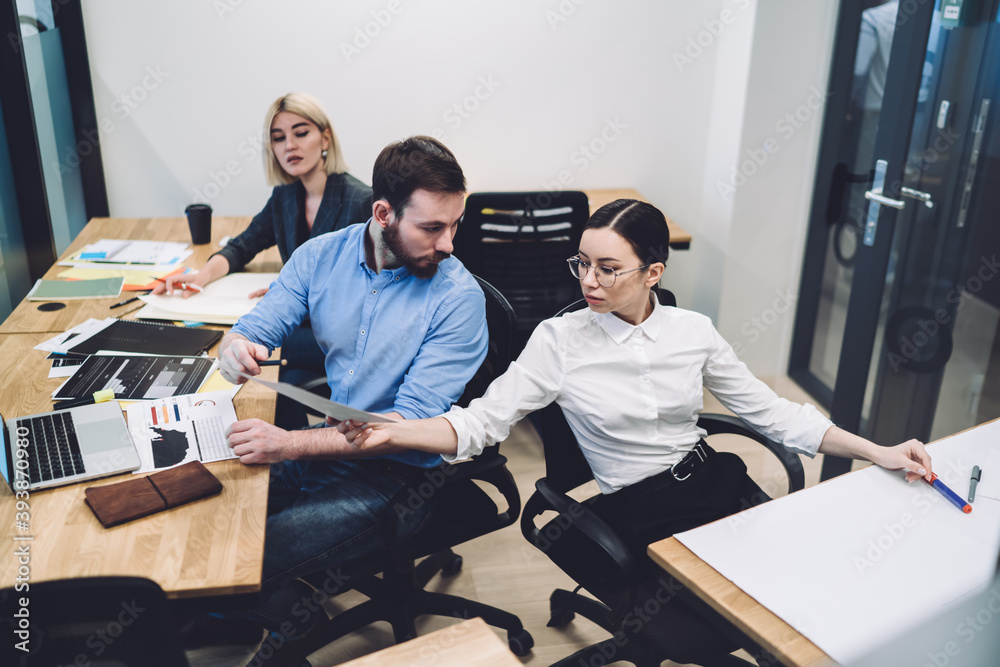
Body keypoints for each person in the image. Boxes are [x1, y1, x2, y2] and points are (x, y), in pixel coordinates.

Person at [337, 198, 934, 666]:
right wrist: (397, 433)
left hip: (714, 483)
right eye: (582, 264)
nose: (588, 282)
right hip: (641, 513)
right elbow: (480, 422)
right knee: (712, 628)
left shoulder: (692, 331)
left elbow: (773, 412)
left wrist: (878, 451)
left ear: (653, 272)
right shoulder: (559, 341)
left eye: (608, 268)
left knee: (801, 597)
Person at [184, 136, 487, 656]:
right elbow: (256, 327)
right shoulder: (321, 257)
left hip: (399, 477)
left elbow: (403, 427)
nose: (448, 244)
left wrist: (290, 445)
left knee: (250, 551)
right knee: (213, 517)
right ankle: (257, 611)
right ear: (383, 213)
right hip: (327, 445)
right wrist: (236, 349)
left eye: (454, 225)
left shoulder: (458, 300)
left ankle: (285, 614)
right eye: (433, 228)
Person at [155, 93, 372, 428]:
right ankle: (291, 457)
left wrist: (289, 295)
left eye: (301, 133)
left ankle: (291, 453)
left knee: (244, 351)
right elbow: (243, 246)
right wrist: (202, 275)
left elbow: (367, 294)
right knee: (268, 376)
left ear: (325, 138)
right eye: (278, 138)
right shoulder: (286, 197)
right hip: (303, 329)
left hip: (342, 336)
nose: (290, 146)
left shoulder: (360, 202)